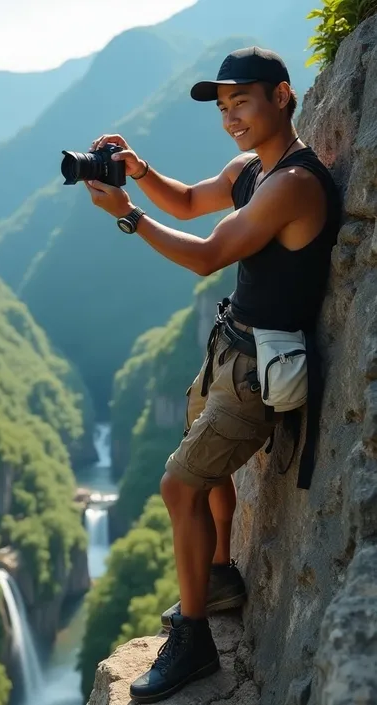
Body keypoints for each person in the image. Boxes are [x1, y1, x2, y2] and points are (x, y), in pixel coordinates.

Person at [86, 46, 341, 703]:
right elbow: (195, 200)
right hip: (228, 350)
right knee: (206, 464)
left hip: (260, 370)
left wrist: (127, 213)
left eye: (243, 103)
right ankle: (220, 573)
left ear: (283, 96)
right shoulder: (254, 169)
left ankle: (195, 640)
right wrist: (141, 172)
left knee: (179, 484)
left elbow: (207, 257)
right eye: (224, 108)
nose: (231, 118)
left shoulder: (293, 182)